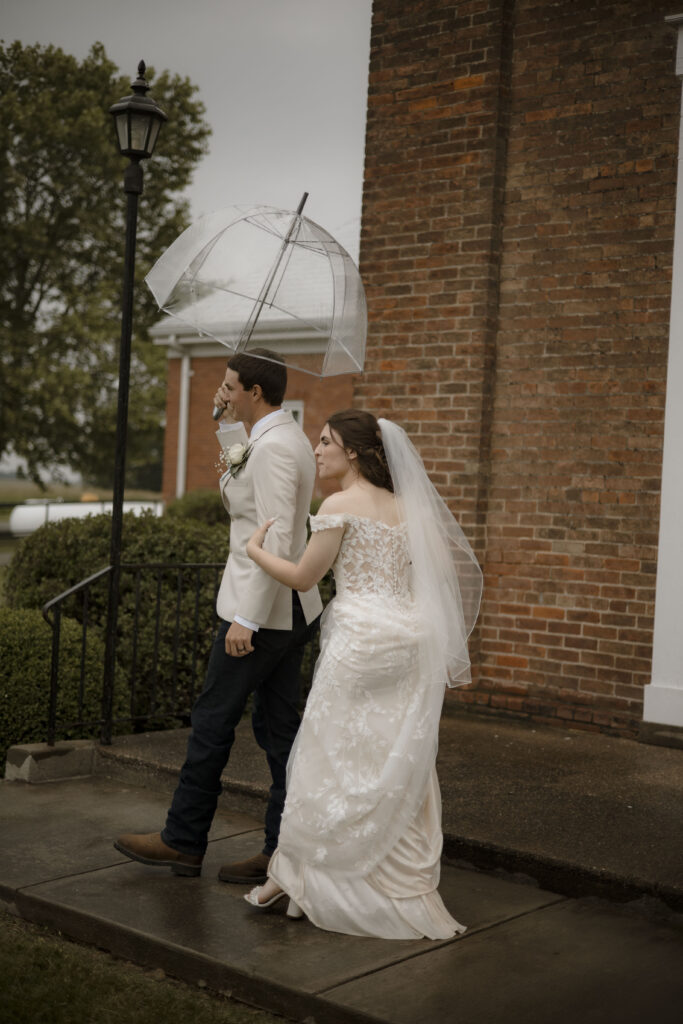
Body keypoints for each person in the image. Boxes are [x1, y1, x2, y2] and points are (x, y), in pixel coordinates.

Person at [241, 409, 483, 940]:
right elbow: (422, 582)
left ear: (351, 451)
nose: (317, 450)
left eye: (325, 442)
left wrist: (255, 551)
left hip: (359, 643)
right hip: (408, 640)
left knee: (327, 756)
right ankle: (360, 880)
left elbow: (304, 577)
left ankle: (296, 877)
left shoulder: (339, 504)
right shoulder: (407, 506)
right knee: (391, 755)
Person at [115, 349, 322, 883]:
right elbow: (243, 497)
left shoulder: (275, 448)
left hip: (265, 613)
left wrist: (246, 619)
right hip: (288, 610)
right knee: (281, 734)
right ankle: (282, 853)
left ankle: (182, 841)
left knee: (212, 722)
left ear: (256, 391)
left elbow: (275, 536)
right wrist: (228, 426)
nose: (222, 392)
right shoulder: (279, 437)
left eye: (230, 386)